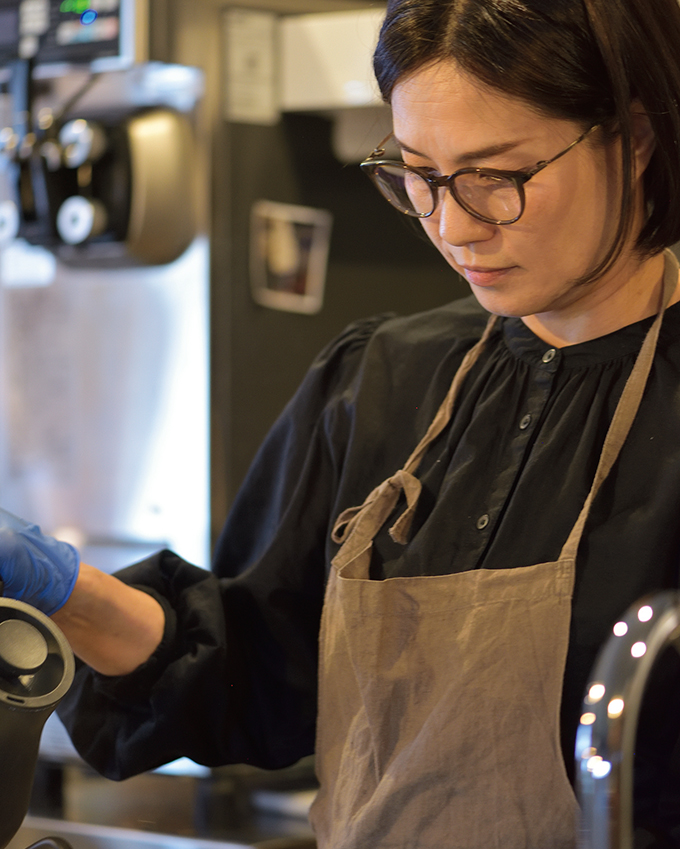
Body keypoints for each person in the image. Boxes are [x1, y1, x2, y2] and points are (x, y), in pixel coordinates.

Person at [3, 0, 680, 845]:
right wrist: (65, 592)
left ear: (636, 137)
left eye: (498, 176)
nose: (453, 226)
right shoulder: (382, 379)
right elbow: (258, 685)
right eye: (418, 174)